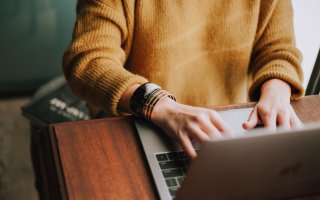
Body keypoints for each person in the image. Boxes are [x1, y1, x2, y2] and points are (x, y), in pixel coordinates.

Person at [63, 0, 304, 158]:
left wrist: (277, 91)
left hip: (229, 130)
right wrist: (158, 104)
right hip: (140, 126)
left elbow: (279, 50)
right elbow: (88, 60)